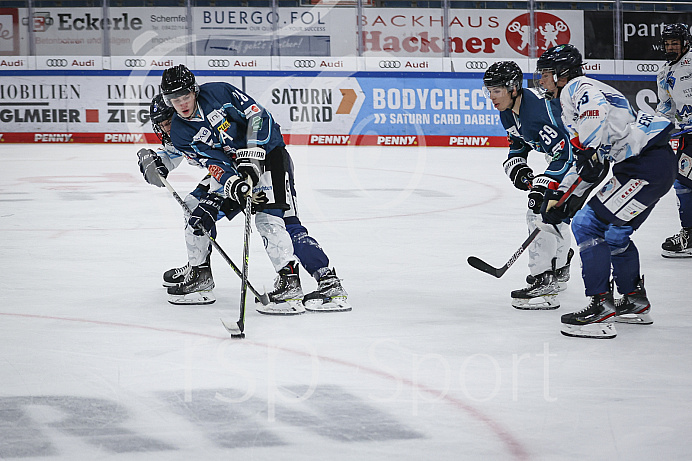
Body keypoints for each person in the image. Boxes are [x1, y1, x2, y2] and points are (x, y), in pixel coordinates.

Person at [157, 64, 349, 312]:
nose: (182, 104)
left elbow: (258, 116)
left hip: (270, 157)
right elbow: (214, 162)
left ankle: (321, 282)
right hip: (239, 172)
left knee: (277, 221)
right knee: (196, 213)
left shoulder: (219, 93)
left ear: (194, 91)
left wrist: (252, 155)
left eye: (185, 96)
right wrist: (233, 184)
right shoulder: (181, 131)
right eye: (175, 99)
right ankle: (200, 275)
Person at [536, 44, 677, 339]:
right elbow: (591, 166)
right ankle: (634, 301)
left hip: (645, 165)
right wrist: (567, 196)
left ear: (562, 73)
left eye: (546, 73)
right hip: (646, 165)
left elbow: (593, 119)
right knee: (614, 234)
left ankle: (600, 307)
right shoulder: (571, 97)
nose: (542, 80)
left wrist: (587, 149)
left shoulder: (576, 87)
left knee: (588, 225)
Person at [483, 61, 575, 310]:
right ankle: (560, 267)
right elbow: (518, 145)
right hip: (567, 156)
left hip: (579, 158)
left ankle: (543, 281)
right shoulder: (507, 112)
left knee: (539, 210)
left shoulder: (536, 113)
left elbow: (565, 154)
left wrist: (544, 183)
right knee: (554, 213)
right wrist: (520, 171)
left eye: (497, 90)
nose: (492, 97)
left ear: (514, 89)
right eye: (488, 91)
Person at [656, 23, 692, 258]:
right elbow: (666, 107)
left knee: (683, 181)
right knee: (683, 182)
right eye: (667, 43)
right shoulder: (663, 73)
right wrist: (654, 129)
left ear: (685, 43)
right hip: (687, 134)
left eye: (675, 43)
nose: (670, 47)